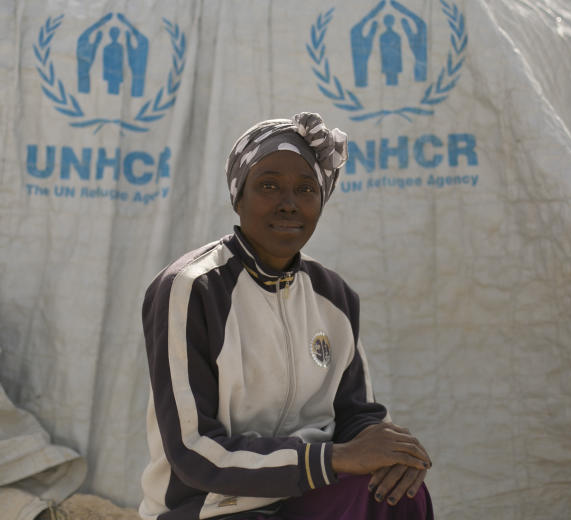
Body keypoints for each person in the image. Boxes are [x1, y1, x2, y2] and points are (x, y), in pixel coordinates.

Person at [139, 112, 434, 520]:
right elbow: (193, 449)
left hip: (308, 494)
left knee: (398, 493)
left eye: (306, 189)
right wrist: (333, 459)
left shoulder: (333, 296)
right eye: (269, 185)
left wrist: (388, 450)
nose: (289, 203)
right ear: (238, 195)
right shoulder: (193, 289)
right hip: (212, 508)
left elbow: (355, 414)